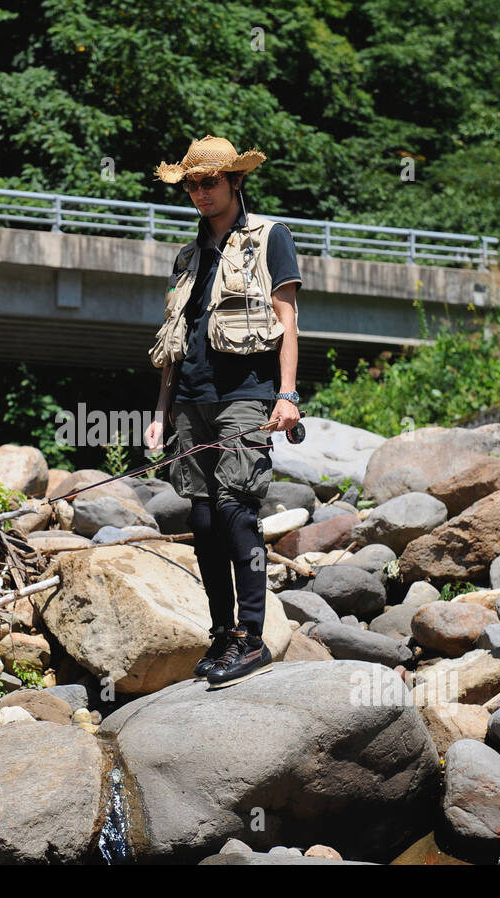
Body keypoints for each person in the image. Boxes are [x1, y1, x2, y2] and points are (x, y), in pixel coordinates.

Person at [144, 136, 302, 689]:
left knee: (236, 510)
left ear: (236, 182)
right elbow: (174, 340)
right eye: (191, 183)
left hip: (248, 395)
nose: (199, 192)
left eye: (209, 181)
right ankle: (221, 635)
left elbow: (288, 319)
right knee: (204, 520)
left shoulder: (269, 238)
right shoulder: (187, 258)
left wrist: (287, 395)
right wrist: (161, 413)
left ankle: (252, 637)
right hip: (190, 400)